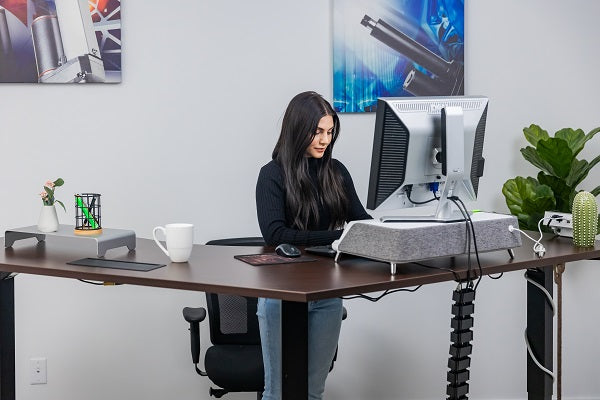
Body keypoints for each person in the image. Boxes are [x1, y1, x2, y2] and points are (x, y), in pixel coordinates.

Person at [255, 91, 371, 400]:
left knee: (313, 393)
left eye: (330, 132)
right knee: (277, 393)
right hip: (281, 295)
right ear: (297, 129)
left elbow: (360, 221)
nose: (324, 140)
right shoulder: (272, 175)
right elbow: (275, 234)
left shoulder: (337, 173)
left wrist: (389, 231)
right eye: (317, 131)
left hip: (327, 293)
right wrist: (338, 237)